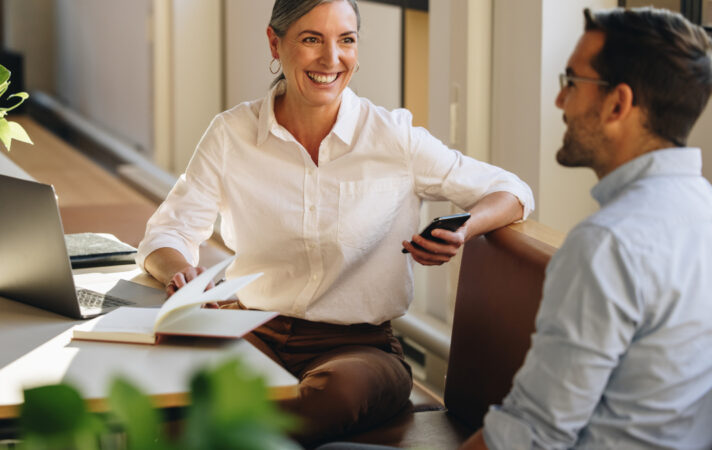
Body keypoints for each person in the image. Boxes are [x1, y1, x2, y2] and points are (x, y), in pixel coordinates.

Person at [137, 0, 533, 443]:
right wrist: (181, 273)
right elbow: (167, 233)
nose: (331, 59)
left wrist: (464, 228)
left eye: (346, 40)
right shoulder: (231, 134)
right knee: (171, 369)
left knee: (334, 395)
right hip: (251, 330)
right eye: (311, 40)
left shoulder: (393, 138)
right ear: (275, 42)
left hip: (360, 350)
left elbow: (513, 191)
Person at [461, 7, 712, 450]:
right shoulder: (703, 211)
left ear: (618, 104)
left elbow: (530, 437)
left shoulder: (607, 243)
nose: (560, 101)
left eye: (572, 82)